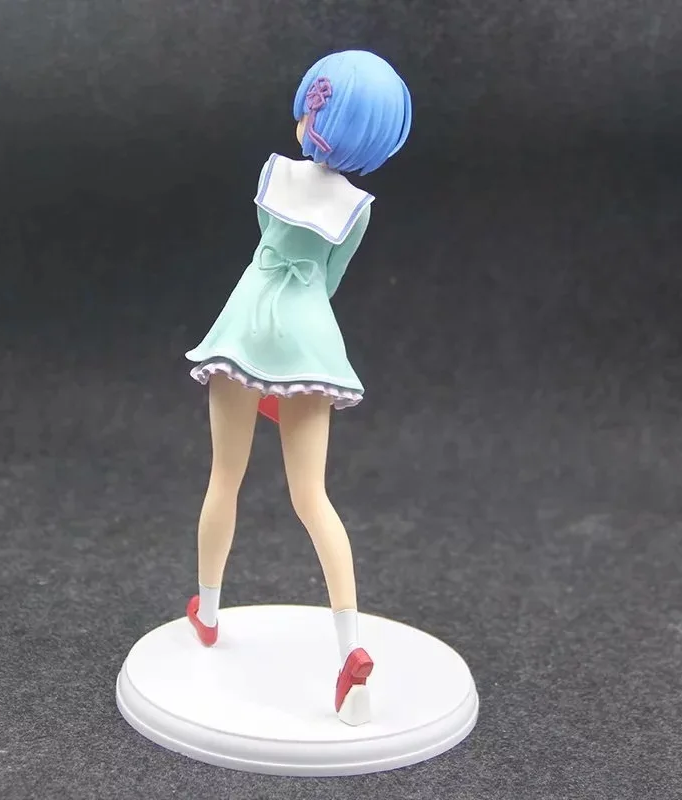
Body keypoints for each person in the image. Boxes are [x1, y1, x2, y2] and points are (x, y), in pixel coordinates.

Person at [184, 50, 412, 725]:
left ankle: (208, 611)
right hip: (309, 342)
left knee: (224, 478)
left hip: (246, 328)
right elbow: (327, 279)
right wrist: (290, 365)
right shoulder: (357, 208)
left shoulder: (273, 174)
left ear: (313, 114)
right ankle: (351, 650)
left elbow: (268, 248)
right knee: (313, 497)